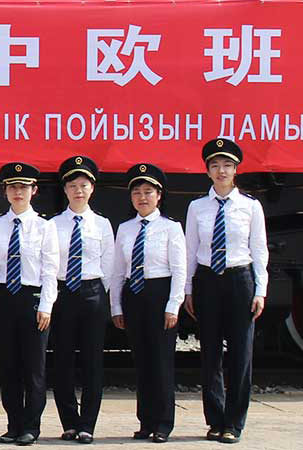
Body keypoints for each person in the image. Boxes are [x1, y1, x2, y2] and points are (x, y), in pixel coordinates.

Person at [186, 138, 268, 445]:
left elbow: (259, 250)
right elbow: (191, 250)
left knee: (240, 354)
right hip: (208, 281)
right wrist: (188, 290)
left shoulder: (250, 206)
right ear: (207, 171)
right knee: (210, 354)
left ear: (236, 170)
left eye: (228, 165)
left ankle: (234, 422)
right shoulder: (197, 207)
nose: (221, 171)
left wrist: (260, 290)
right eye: (215, 165)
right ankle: (215, 419)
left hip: (239, 280)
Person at [111, 163, 185, 444]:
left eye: (148, 192)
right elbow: (118, 271)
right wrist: (116, 306)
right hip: (134, 295)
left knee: (161, 362)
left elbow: (179, 270)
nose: (142, 197)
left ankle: (164, 423)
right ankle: (146, 421)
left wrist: (173, 305)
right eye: (137, 192)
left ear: (159, 195)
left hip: (159, 293)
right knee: (141, 362)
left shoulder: (171, 228)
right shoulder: (125, 229)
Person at [0, 162, 59, 447]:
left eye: (24, 187)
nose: (18, 192)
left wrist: (46, 305)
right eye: (13, 187)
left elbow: (50, 269)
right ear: (5, 191)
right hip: (5, 298)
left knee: (33, 368)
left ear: (34, 190)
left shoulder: (45, 226)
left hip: (33, 299)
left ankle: (31, 426)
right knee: (9, 367)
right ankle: (13, 424)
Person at [48, 157, 112, 444]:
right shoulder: (52, 224)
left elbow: (109, 265)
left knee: (92, 361)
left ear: (92, 188)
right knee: (62, 360)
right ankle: (69, 422)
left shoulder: (102, 224)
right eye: (72, 185)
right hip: (62, 294)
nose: (78, 191)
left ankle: (88, 424)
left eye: (83, 185)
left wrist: (98, 294)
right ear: (65, 189)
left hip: (91, 293)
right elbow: (49, 263)